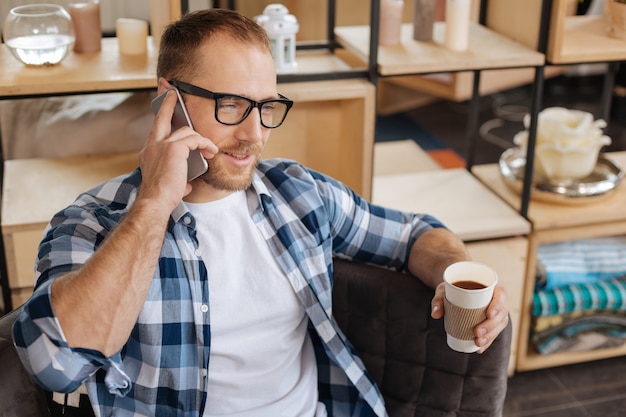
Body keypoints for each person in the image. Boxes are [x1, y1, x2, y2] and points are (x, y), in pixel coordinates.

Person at [12, 8, 509, 417]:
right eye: (231, 105)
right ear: (168, 99)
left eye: (266, 106)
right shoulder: (93, 223)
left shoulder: (297, 193)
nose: (255, 134)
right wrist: (154, 205)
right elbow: (54, 363)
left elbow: (416, 234)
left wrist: (452, 272)